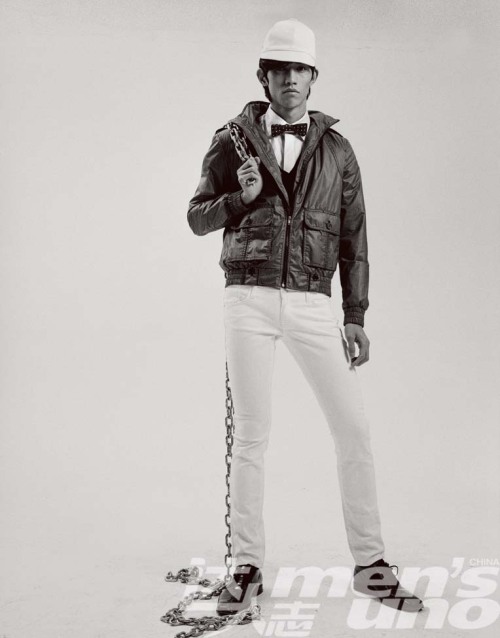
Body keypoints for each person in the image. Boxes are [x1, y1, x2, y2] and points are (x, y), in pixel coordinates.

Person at [187, 18, 424, 615]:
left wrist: (355, 312)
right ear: (263, 76)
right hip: (248, 296)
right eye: (280, 69)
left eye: (300, 69)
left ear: (314, 77)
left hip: (315, 301)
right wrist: (239, 198)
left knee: (353, 430)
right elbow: (196, 217)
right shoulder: (230, 140)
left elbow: (354, 236)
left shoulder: (339, 151)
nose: (290, 78)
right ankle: (246, 568)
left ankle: (370, 565)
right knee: (252, 435)